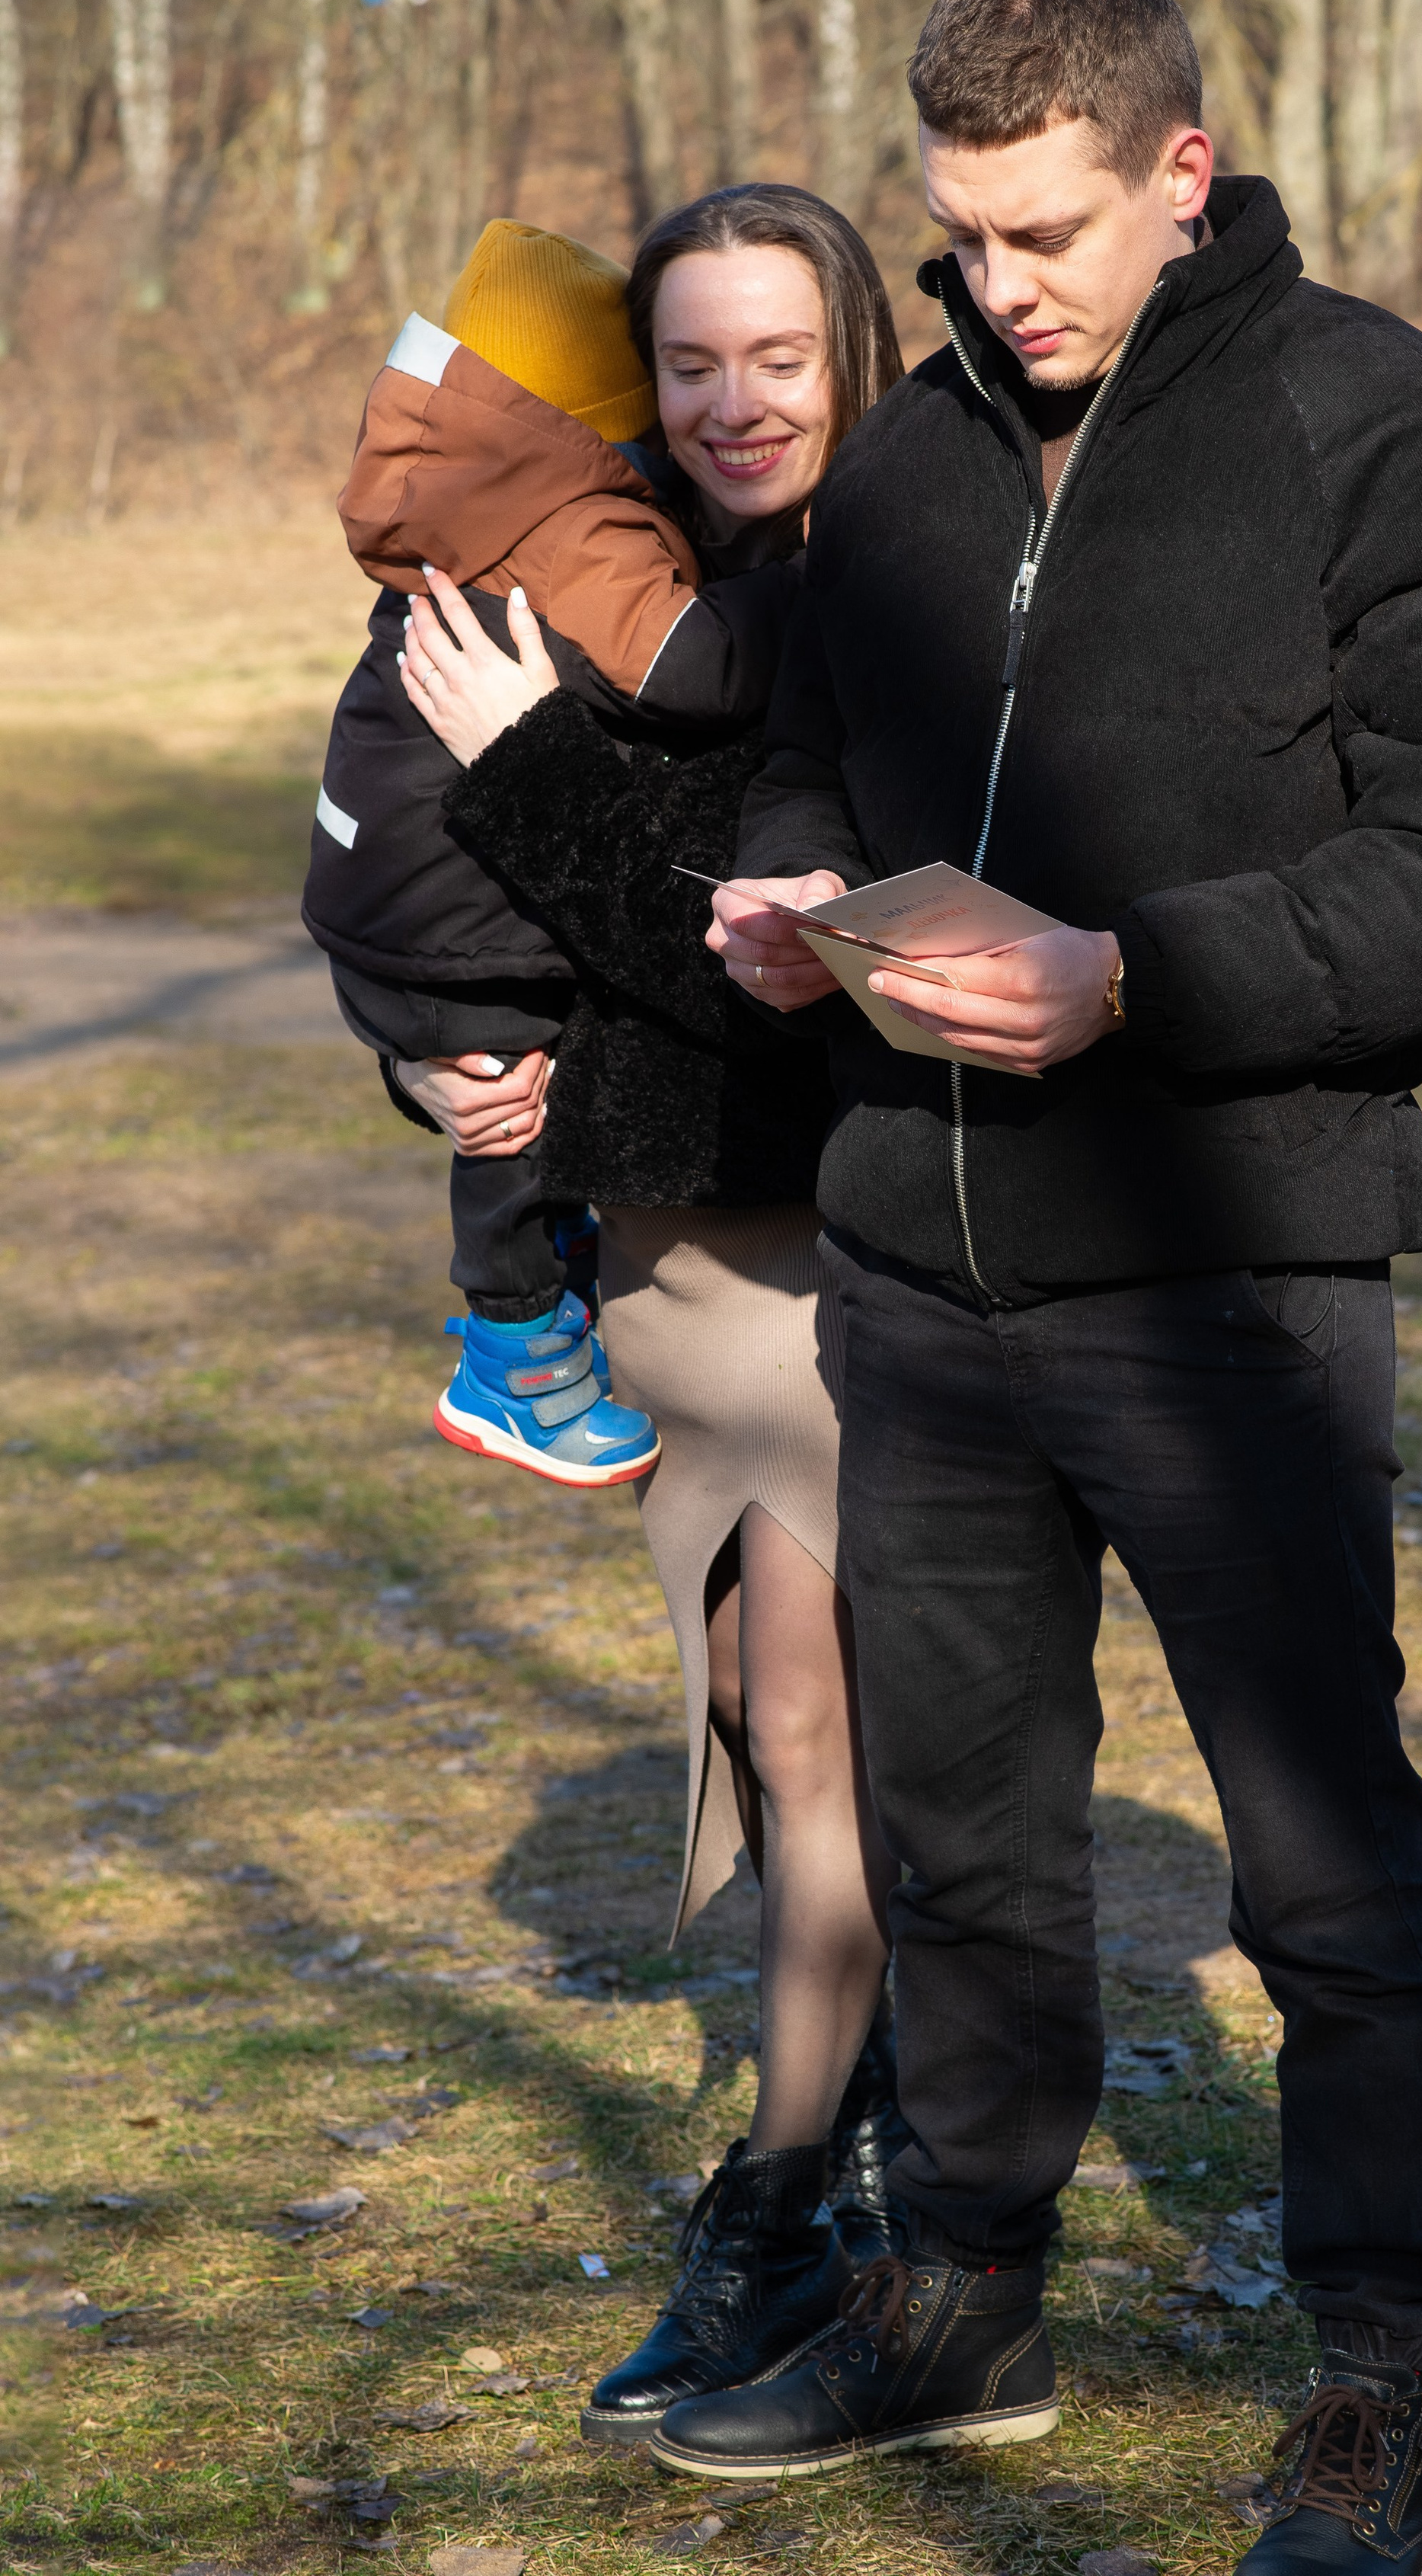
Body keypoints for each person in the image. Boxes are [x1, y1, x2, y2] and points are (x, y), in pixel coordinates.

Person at [664, 0, 1422, 2571]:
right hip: (917, 1288)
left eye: (1048, 231)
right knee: (966, 1833)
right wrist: (787, 893)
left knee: (1321, 1856)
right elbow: (817, 756)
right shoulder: (912, 467)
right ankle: (968, 2290)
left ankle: (1375, 2366)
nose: (999, 289)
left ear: (1181, 173)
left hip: (1230, 1279)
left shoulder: (1374, 430)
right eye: (960, 241)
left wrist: (1136, 979)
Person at [383, 184, 914, 2442]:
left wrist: (539, 769)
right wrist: (429, 1064)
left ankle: (783, 2215)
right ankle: (865, 2153)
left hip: (831, 1273)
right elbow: (472, 918)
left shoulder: (887, 599)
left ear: (853, 352)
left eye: (774, 356)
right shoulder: (637, 581)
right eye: (689, 363)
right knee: (742, 1708)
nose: (732, 402)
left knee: (805, 1728)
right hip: (661, 1278)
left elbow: (781, 985)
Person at [307, 213, 770, 1486]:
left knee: (506, 1099)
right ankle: (516, 1354)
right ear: (607, 418)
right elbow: (692, 668)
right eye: (684, 376)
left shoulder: (459, 505)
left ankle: (537, 1304)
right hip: (453, 921)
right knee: (505, 1110)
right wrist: (801, 594)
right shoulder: (574, 526)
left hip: (390, 899)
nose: (730, 408)